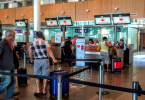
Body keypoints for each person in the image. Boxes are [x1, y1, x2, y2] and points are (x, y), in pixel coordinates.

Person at [29, 31, 57, 96]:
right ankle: (44, 90)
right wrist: (53, 59)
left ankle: (38, 90)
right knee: (45, 75)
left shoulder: (33, 43)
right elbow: (49, 51)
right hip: (45, 60)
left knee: (36, 75)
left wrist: (31, 59)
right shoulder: (45, 42)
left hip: (37, 60)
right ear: (42, 36)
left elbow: (30, 52)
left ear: (36, 36)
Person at [0, 29, 19, 100]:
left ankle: (9, 98)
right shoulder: (2, 43)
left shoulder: (10, 43)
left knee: (13, 82)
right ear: (10, 36)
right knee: (7, 81)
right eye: (14, 36)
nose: (14, 37)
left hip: (11, 66)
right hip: (4, 67)